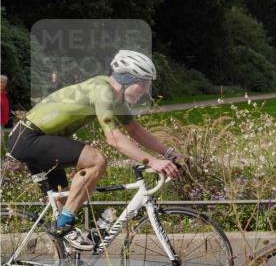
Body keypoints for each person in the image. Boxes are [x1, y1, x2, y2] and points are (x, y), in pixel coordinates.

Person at [7, 50, 181, 249]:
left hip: (41, 139)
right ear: (126, 79)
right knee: (96, 160)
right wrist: (152, 161)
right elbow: (114, 138)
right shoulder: (103, 91)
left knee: (67, 208)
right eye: (143, 83)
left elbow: (135, 130)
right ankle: (63, 224)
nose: (146, 89)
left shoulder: (115, 97)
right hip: (29, 138)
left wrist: (169, 153)